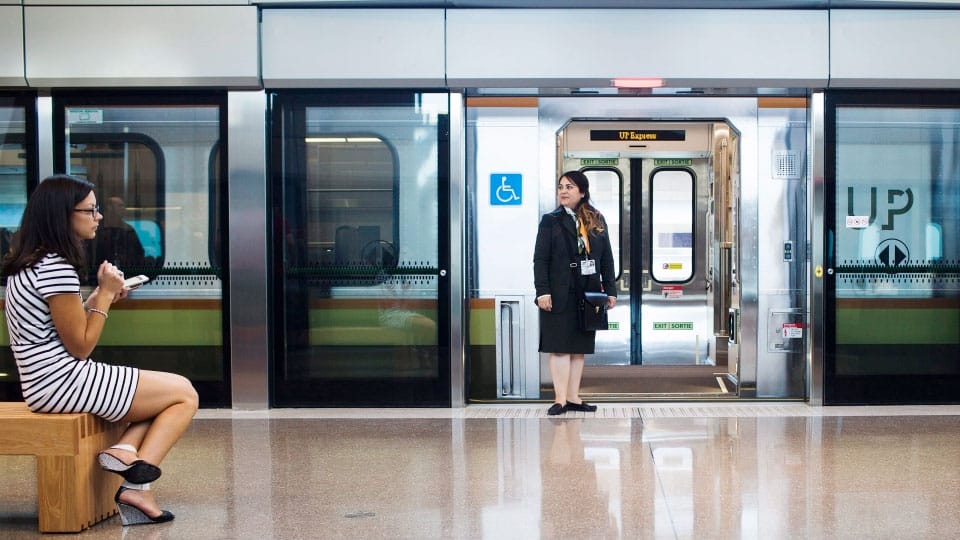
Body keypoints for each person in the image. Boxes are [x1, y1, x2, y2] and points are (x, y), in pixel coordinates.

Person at [2, 174, 198, 526]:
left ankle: (124, 451)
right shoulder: (56, 268)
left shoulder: (31, 262)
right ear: (64, 215)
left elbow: (57, 328)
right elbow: (80, 346)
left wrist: (94, 299)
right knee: (184, 395)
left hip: (44, 381)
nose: (99, 217)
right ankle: (137, 488)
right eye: (90, 210)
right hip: (61, 381)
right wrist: (105, 294)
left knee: (164, 395)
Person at [533, 171, 617, 416]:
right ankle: (559, 399)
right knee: (559, 346)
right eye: (560, 187)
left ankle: (573, 397)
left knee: (579, 347)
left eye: (569, 187)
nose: (563, 191)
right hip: (559, 292)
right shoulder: (550, 221)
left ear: (582, 191)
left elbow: (607, 260)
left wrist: (610, 291)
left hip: (587, 292)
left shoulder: (596, 220)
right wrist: (542, 291)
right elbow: (541, 260)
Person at [91, 195, 146, 272]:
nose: (123, 209)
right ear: (109, 208)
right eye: (120, 206)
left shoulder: (129, 230)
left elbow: (139, 254)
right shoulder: (97, 229)